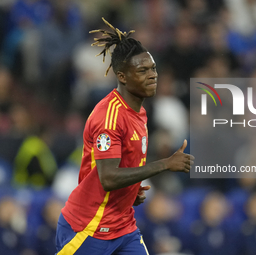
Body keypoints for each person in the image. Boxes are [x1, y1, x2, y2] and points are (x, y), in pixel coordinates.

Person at [54, 17, 194, 255]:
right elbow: (108, 178)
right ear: (122, 76)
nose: (152, 75)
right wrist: (166, 164)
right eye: (142, 71)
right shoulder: (109, 117)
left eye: (153, 69)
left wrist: (130, 190)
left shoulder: (139, 111)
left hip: (123, 227)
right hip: (88, 228)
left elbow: (119, 169)